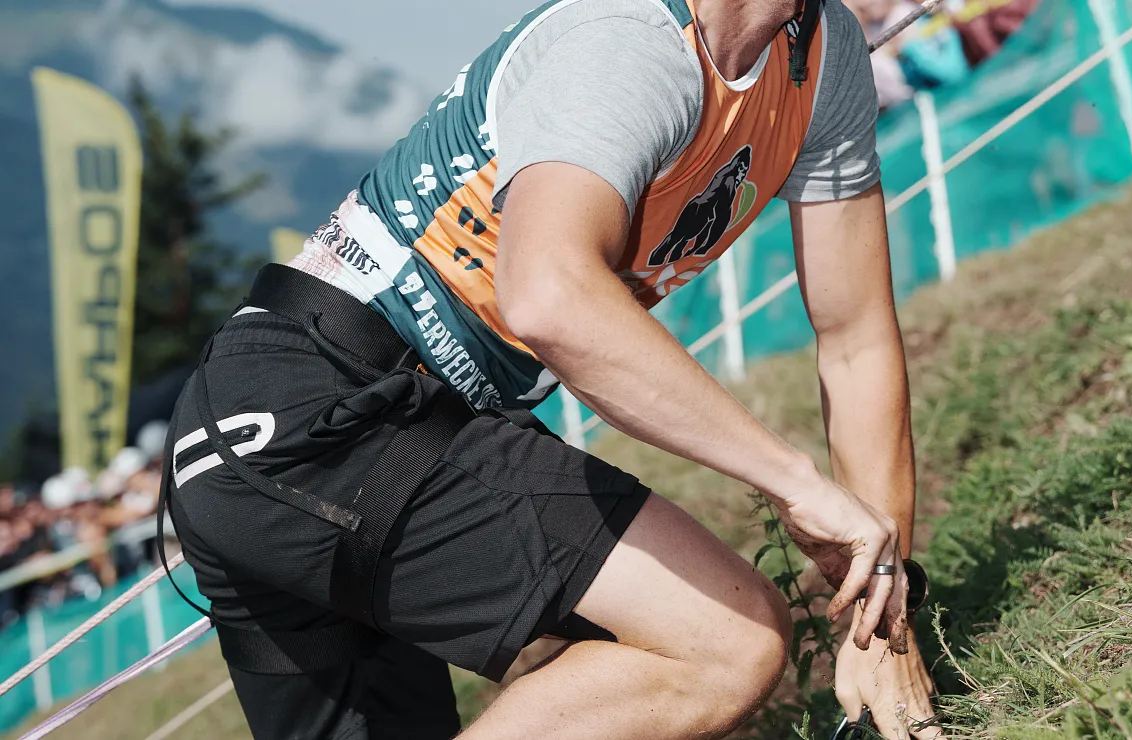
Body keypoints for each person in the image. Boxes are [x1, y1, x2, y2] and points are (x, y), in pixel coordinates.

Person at [160, 0, 940, 737]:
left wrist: (884, 617)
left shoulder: (824, 55)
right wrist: (797, 483)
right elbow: (550, 299)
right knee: (726, 640)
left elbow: (856, 337)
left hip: (361, 421)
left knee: (682, 644)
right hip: (320, 404)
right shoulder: (629, 40)